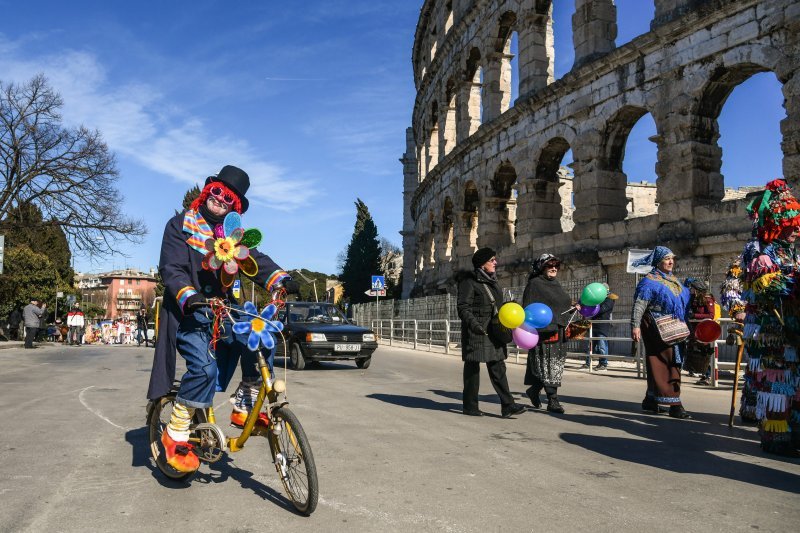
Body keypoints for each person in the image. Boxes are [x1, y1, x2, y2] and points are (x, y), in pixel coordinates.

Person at [147, 164, 300, 473]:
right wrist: (190, 295)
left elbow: (255, 260)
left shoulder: (231, 237)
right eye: (216, 192)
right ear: (207, 192)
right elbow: (172, 269)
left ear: (234, 206)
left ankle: (247, 401)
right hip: (189, 312)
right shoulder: (181, 226)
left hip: (222, 310)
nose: (219, 199)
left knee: (260, 335)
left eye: (227, 198)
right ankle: (175, 432)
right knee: (202, 368)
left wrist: (281, 280)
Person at [739, 179, 800, 455]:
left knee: (795, 386)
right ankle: (775, 438)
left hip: (795, 331)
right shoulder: (764, 255)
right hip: (773, 331)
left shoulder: (795, 254)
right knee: (777, 386)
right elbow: (762, 287)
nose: (796, 231)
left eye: (797, 226)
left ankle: (795, 434)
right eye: (790, 226)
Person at [456, 247, 526, 418]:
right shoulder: (469, 282)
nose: (496, 262)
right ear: (482, 264)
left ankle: (508, 405)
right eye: (492, 260)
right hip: (477, 332)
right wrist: (474, 325)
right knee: (472, 367)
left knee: (498, 367)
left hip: (494, 330)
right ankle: (470, 406)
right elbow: (463, 307)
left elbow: (495, 306)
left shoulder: (493, 281)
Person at [630, 246, 692, 419]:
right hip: (656, 327)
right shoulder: (648, 282)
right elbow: (639, 305)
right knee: (667, 362)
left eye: (672, 258)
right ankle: (674, 404)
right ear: (658, 262)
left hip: (675, 326)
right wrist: (635, 326)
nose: (671, 262)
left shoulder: (674, 280)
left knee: (663, 362)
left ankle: (651, 400)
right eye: (666, 259)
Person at [522, 253, 575, 414]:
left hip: (559, 330)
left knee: (555, 366)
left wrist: (575, 306)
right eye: (549, 265)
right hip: (544, 332)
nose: (554, 268)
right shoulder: (535, 284)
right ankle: (553, 400)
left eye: (556, 266)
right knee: (547, 365)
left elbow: (561, 304)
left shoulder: (556, 284)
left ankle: (534, 390)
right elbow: (529, 308)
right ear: (541, 267)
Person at [683, 278, 716, 385]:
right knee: (695, 353)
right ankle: (698, 373)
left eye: (692, 288)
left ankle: (707, 376)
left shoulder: (708, 298)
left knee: (705, 353)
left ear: (697, 289)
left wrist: (695, 316)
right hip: (693, 330)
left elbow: (711, 315)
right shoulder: (693, 298)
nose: (691, 290)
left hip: (704, 331)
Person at [580, 283, 617, 371]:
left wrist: (595, 303)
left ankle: (603, 363)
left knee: (602, 345)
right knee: (591, 345)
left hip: (602, 325)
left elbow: (602, 309)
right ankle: (588, 363)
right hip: (594, 324)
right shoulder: (596, 300)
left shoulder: (609, 299)